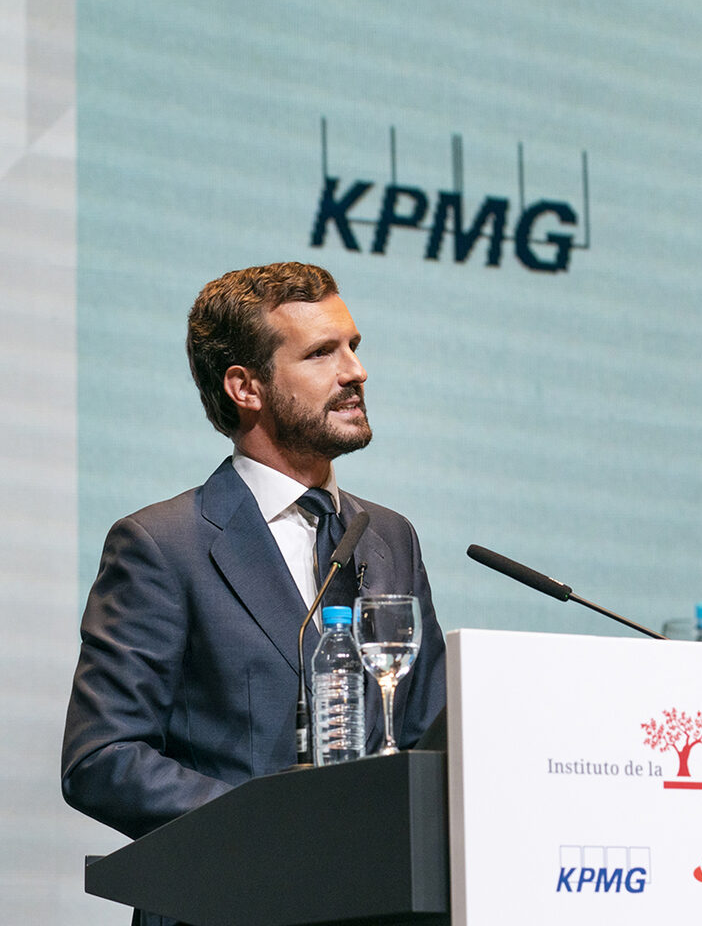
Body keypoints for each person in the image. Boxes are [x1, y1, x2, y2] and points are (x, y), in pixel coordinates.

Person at [62, 263, 447, 850]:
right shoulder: (162, 546)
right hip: (238, 885)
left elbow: (427, 735)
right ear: (246, 388)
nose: (355, 371)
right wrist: (271, 828)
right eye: (321, 353)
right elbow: (101, 758)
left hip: (381, 885)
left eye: (353, 346)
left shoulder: (390, 537)